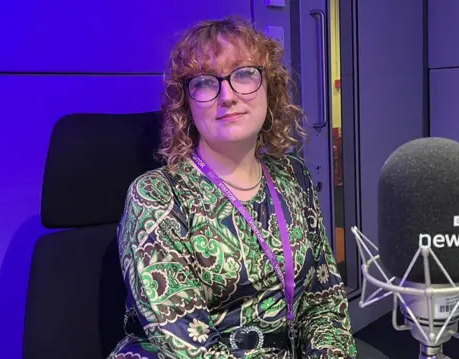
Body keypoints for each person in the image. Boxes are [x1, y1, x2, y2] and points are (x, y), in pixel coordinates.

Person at [107, 16, 357, 359]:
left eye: (243, 74)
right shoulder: (156, 197)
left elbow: (323, 297)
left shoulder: (292, 176)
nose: (228, 96)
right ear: (186, 102)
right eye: (206, 82)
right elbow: (186, 345)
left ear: (269, 87)